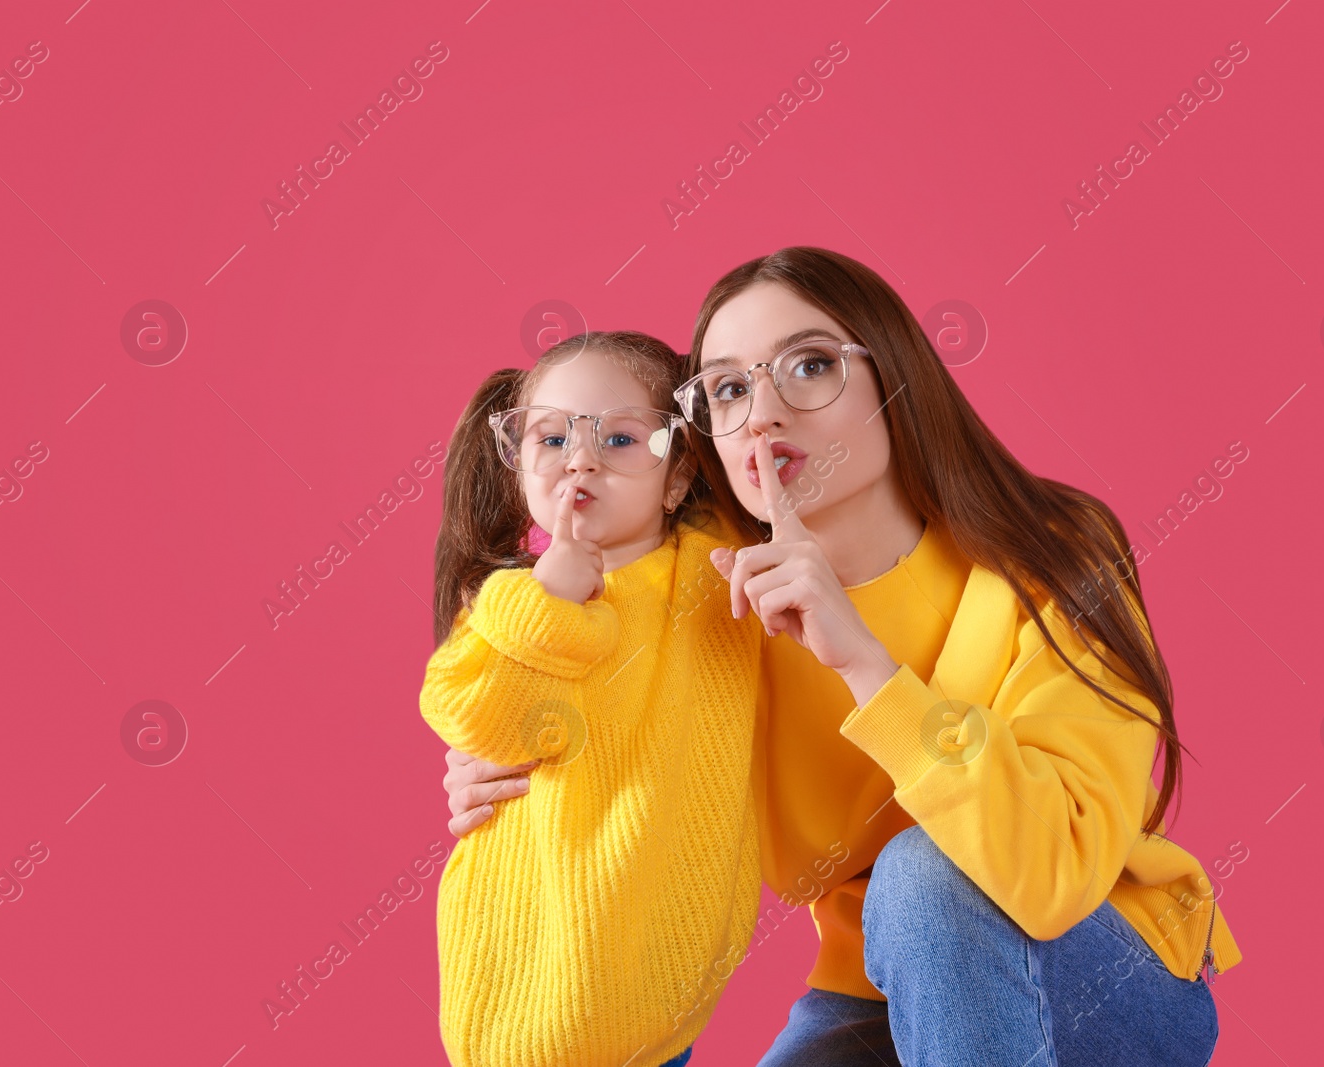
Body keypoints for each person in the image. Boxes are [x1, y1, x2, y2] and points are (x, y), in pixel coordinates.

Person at [442, 248, 1243, 1066]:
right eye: (728, 388)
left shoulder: (1051, 554)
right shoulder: (715, 605)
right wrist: (517, 759)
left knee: (925, 873)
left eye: (810, 364)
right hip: (874, 989)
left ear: (892, 374)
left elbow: (1047, 878)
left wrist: (865, 662)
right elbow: (621, 761)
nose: (763, 413)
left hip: (1101, 969)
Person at [418, 331, 764, 1067]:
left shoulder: (712, 569)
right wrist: (554, 602)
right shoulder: (507, 605)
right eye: (551, 436)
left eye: (619, 437)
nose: (582, 457)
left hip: (653, 977)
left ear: (676, 478)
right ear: (518, 465)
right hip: (520, 972)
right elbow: (480, 723)